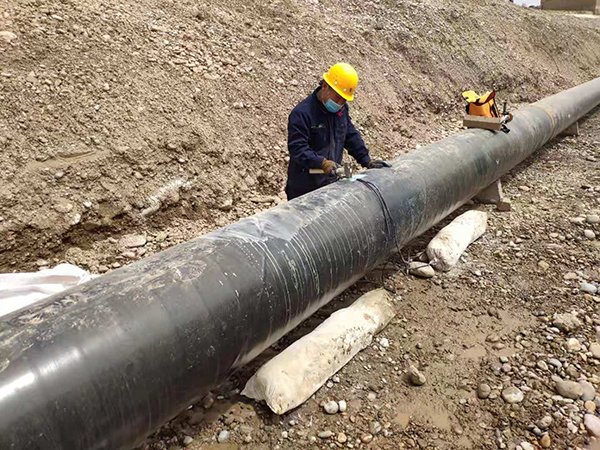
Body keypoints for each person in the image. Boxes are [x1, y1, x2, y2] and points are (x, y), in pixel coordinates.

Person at [285, 63, 390, 200]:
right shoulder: (302, 113)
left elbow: (350, 135)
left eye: (344, 100)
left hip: (329, 182)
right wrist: (321, 163)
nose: (340, 103)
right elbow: (298, 149)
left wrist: (366, 161)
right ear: (325, 87)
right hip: (304, 187)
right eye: (338, 97)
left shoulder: (341, 110)